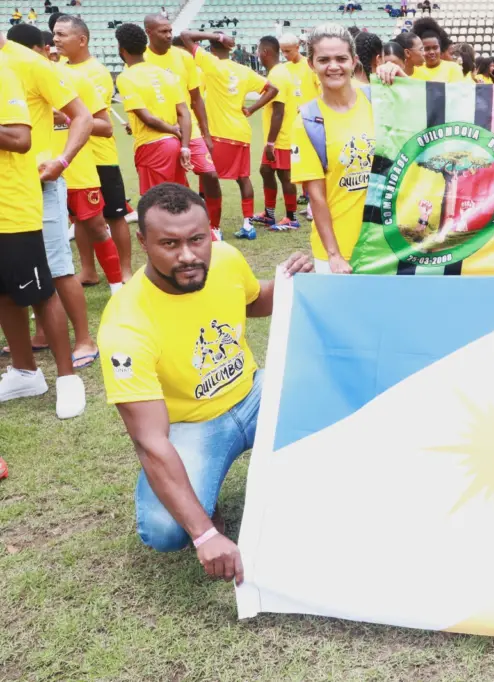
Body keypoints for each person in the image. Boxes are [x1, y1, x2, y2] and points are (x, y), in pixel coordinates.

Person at [97, 183, 312, 575]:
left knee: (327, 399)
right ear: (143, 242)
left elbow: (254, 299)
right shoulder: (125, 327)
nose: (187, 256)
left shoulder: (226, 260)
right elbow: (149, 442)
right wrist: (203, 535)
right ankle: (204, 512)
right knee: (164, 529)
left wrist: (292, 284)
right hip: (193, 426)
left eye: (197, 239)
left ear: (210, 231)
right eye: (169, 244)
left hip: (254, 392)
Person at [0, 47, 86, 419]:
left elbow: (21, 138)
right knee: (4, 294)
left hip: (13, 206)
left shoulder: (6, 73)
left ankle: (67, 377)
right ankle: (24, 372)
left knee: (40, 290)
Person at [55, 15, 134, 285]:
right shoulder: (59, 69)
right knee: (81, 217)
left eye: (62, 35)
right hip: (77, 159)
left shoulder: (96, 72)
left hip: (101, 156)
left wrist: (67, 118)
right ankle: (88, 270)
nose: (56, 40)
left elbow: (99, 124)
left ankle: (125, 270)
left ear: (82, 40)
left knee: (114, 214)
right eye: (54, 34)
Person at [291, 24, 376, 274]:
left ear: (354, 61)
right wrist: (334, 255)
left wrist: (400, 75)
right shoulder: (307, 120)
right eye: (324, 60)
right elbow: (316, 196)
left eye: (341, 58)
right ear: (311, 64)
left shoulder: (378, 102)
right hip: (338, 254)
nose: (333, 66)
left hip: (384, 246)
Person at [182, 30, 281, 243]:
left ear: (212, 47)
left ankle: (213, 227)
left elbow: (185, 36)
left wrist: (214, 36)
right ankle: (247, 225)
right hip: (241, 131)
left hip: (217, 134)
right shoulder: (244, 70)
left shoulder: (210, 63)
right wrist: (252, 109)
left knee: (207, 178)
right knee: (242, 178)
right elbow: (272, 89)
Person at [143, 13, 223, 238]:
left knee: (210, 175)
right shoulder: (142, 60)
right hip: (161, 131)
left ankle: (214, 228)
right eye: (163, 31)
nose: (169, 35)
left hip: (190, 128)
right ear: (149, 32)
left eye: (170, 31)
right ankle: (179, 228)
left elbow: (196, 98)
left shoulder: (183, 57)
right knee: (173, 185)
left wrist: (206, 133)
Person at [115, 23, 190, 194]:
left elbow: (148, 118)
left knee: (156, 203)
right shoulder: (166, 74)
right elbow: (184, 112)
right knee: (178, 198)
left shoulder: (125, 77)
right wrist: (184, 144)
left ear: (122, 48)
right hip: (175, 146)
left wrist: (172, 130)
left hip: (152, 148)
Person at [245, 36, 299, 236]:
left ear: (265, 52)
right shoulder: (280, 72)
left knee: (285, 176)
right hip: (279, 135)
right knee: (266, 171)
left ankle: (291, 219)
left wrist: (270, 142)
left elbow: (279, 111)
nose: (258, 54)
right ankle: (269, 214)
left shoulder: (277, 75)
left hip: (282, 137)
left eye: (259, 51)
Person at [409, 17, 460, 82]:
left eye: (435, 48)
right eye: (426, 49)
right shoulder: (414, 70)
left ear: (440, 48)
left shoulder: (453, 68)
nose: (431, 52)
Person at [281, 33, 320, 107]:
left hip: (310, 115)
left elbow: (323, 92)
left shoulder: (311, 65)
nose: (284, 55)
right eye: (282, 51)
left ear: (297, 48)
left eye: (287, 51)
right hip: (291, 116)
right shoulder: (284, 68)